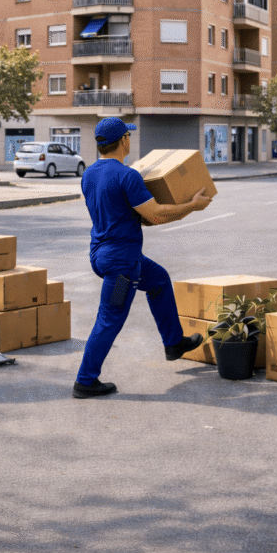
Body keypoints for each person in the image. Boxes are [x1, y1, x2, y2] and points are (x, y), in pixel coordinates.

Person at [73, 118, 213, 399]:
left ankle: (174, 342)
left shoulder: (89, 174)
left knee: (159, 279)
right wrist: (192, 207)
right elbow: (155, 214)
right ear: (123, 140)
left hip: (102, 254)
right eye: (128, 135)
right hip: (122, 266)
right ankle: (85, 381)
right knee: (110, 318)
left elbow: (126, 211)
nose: (130, 140)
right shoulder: (127, 176)